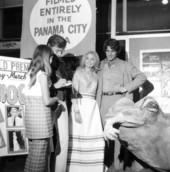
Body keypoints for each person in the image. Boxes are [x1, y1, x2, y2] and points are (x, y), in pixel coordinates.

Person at [96, 38, 147, 171]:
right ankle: (106, 165)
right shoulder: (100, 65)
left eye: (112, 51)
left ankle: (118, 166)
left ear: (117, 51)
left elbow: (142, 77)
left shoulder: (125, 65)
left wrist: (128, 87)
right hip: (103, 103)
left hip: (119, 102)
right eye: (107, 51)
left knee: (118, 135)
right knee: (104, 134)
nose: (110, 54)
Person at [67, 51, 105, 172]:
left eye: (92, 59)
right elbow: (73, 93)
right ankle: (76, 167)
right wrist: (76, 111)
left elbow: (99, 94)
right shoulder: (78, 73)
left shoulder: (97, 75)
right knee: (79, 136)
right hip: (79, 105)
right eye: (87, 58)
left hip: (92, 109)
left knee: (93, 136)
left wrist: (97, 111)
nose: (89, 61)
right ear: (84, 60)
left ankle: (93, 167)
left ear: (96, 61)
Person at [24, 45, 60, 172]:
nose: (51, 61)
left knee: (32, 157)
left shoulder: (30, 73)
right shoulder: (42, 75)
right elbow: (46, 101)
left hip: (31, 121)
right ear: (46, 58)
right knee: (39, 161)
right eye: (50, 58)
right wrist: (56, 99)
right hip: (41, 123)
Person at [47, 34, 70, 172]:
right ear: (48, 46)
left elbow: (65, 79)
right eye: (57, 50)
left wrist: (65, 83)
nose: (60, 53)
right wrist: (55, 85)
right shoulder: (40, 62)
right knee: (49, 142)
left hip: (61, 100)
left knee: (64, 139)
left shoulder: (61, 62)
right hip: (46, 103)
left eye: (62, 50)